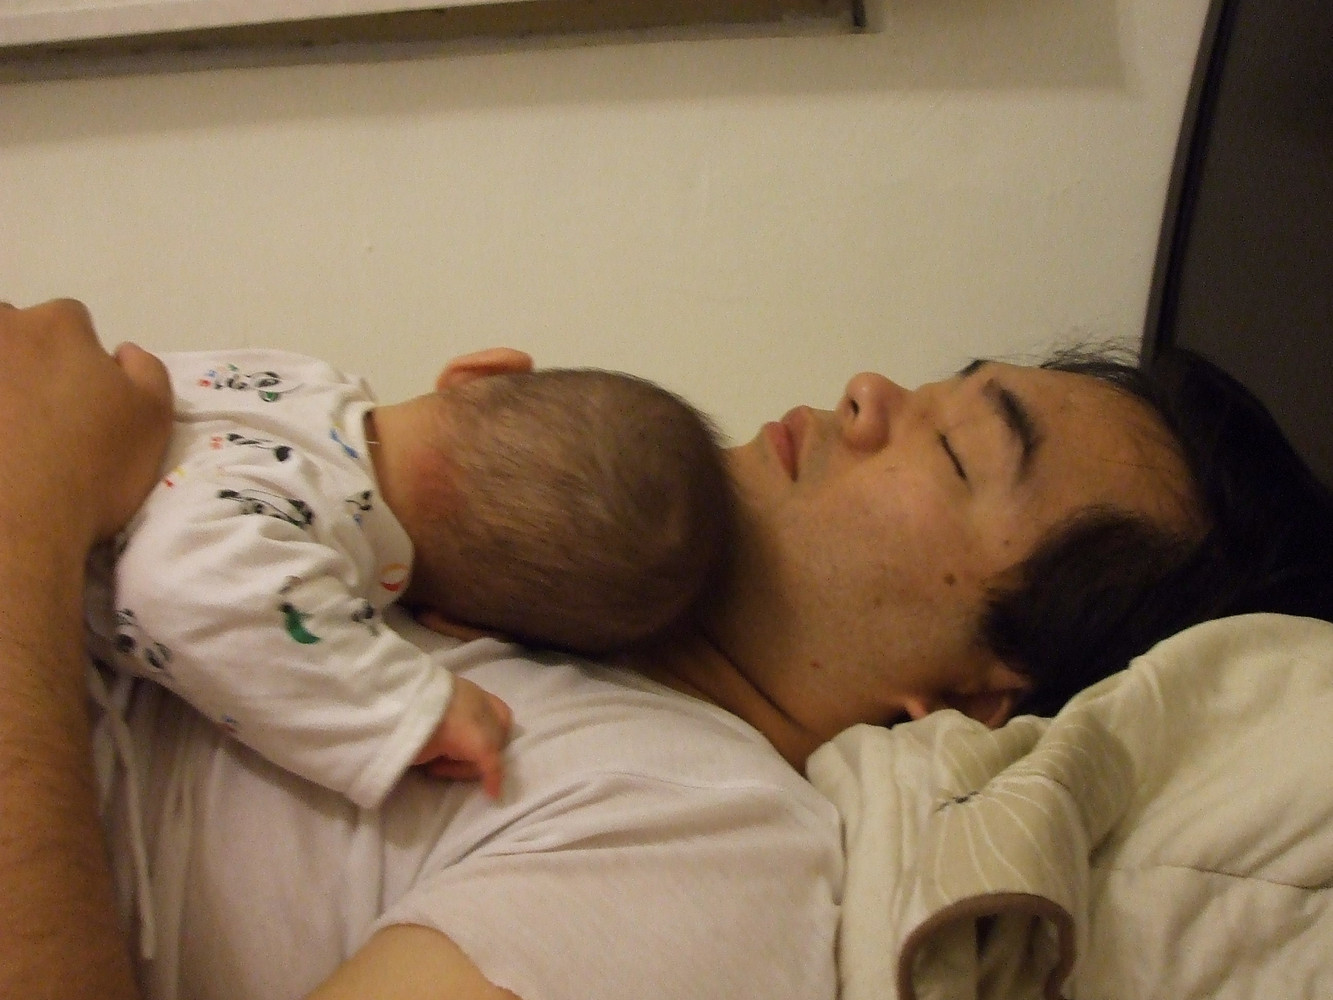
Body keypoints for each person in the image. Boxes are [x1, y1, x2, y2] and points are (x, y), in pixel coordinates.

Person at [3, 297, 1331, 1000]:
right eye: (927, 386)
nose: (867, 391)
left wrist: (26, 516)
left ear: (986, 699)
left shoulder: (702, 854)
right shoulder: (483, 571)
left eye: (960, 451)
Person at [85, 348, 732, 806]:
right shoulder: (307, 537)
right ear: (459, 627)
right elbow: (182, 589)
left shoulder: (298, 378)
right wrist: (409, 706)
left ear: (481, 370)